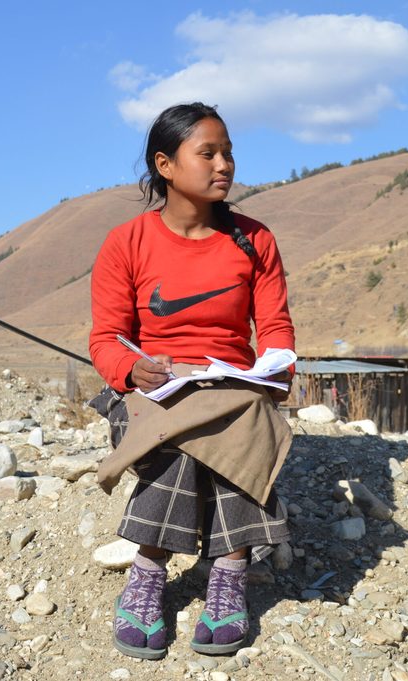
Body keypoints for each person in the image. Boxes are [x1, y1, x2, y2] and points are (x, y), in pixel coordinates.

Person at [89, 102, 296, 660]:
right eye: (208, 153)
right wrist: (132, 369)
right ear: (166, 164)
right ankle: (151, 571)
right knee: (180, 430)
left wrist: (276, 370)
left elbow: (274, 327)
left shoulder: (255, 241)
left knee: (235, 418)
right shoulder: (126, 243)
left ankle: (226, 573)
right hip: (155, 388)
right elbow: (105, 338)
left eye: (228, 152)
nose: (224, 164)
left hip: (230, 385)